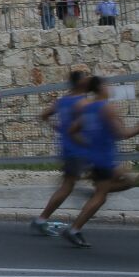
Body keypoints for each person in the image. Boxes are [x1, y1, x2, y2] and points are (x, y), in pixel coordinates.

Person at [62, 76, 139, 248]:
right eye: (108, 85)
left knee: (128, 181)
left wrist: (87, 143)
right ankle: (74, 229)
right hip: (105, 158)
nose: (110, 88)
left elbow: (72, 131)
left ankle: (93, 196)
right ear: (101, 87)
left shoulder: (88, 108)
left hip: (95, 156)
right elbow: (121, 133)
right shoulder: (107, 108)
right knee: (101, 197)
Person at [29, 70, 91, 235]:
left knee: (71, 183)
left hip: (68, 148)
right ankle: (42, 219)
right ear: (79, 83)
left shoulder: (63, 101)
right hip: (77, 148)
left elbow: (44, 115)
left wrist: (57, 127)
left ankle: (88, 193)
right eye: (85, 79)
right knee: (67, 186)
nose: (88, 81)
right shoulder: (81, 102)